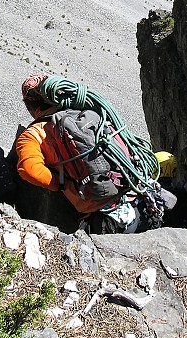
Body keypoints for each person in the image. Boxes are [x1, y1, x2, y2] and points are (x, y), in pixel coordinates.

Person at [14, 73, 167, 233]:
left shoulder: (33, 134)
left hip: (108, 217)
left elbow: (29, 169)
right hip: (145, 197)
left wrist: (62, 185)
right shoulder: (89, 111)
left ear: (32, 108)